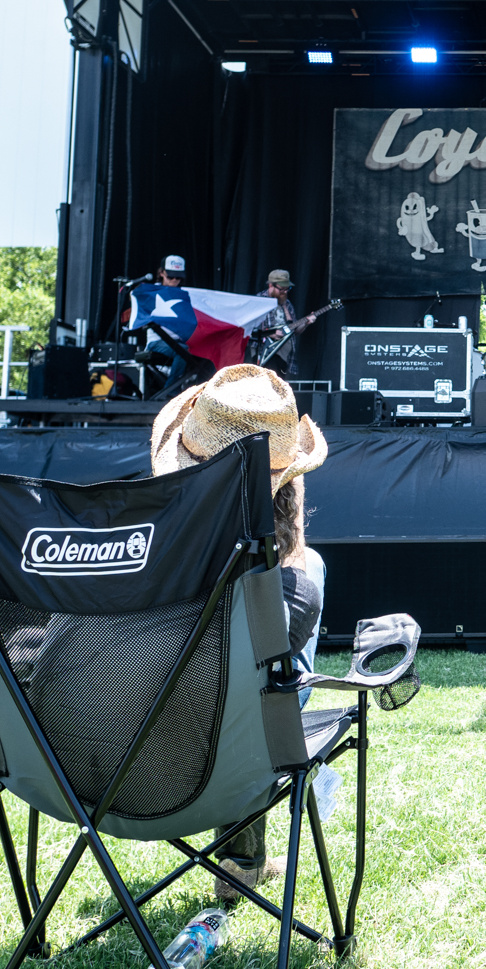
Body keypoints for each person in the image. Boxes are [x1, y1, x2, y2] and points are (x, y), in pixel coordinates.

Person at [150, 363, 328, 900]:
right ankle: (239, 859)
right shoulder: (297, 586)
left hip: (108, 764)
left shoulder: (137, 559)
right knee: (302, 587)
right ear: (285, 485)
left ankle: (242, 856)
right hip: (226, 754)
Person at [136, 255, 191, 388]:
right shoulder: (150, 293)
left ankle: (202, 393)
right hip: (157, 341)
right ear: (161, 273)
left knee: (209, 351)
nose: (174, 280)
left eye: (178, 278)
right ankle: (171, 392)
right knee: (183, 351)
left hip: (181, 341)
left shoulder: (186, 294)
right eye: (170, 276)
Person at [252, 269, 315, 376]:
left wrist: (306, 323)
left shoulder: (287, 304)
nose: (285, 292)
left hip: (284, 355)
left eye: (287, 289)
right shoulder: (259, 301)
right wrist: (270, 333)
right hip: (265, 351)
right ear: (271, 285)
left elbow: (294, 331)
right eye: (281, 289)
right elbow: (250, 329)